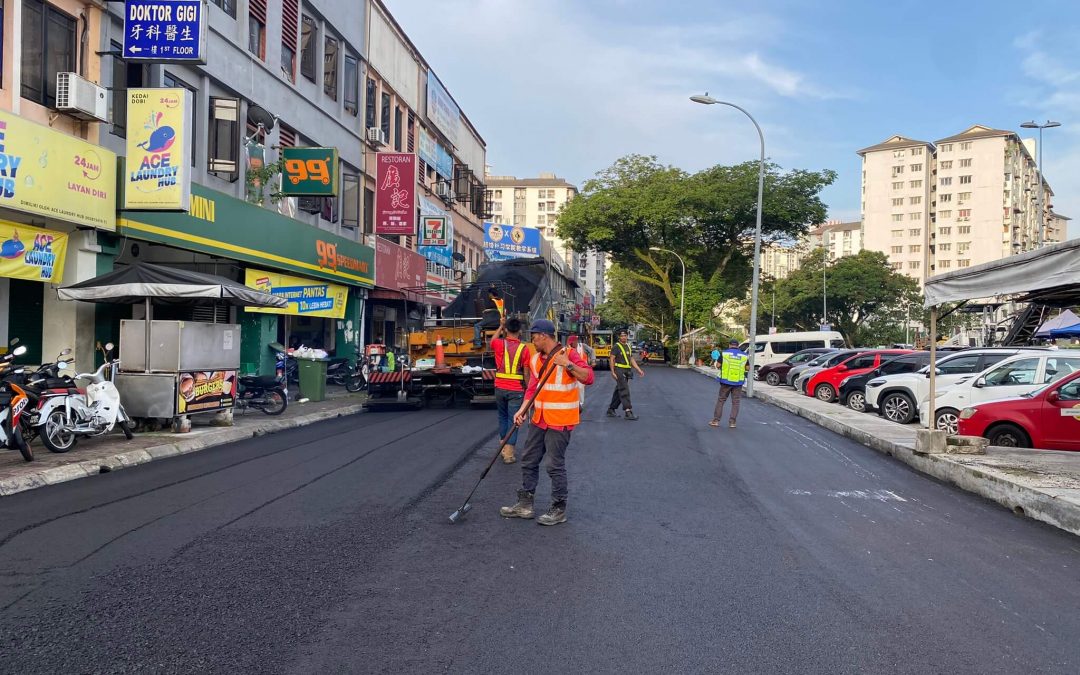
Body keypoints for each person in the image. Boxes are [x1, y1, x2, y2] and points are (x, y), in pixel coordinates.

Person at [500, 319, 594, 526]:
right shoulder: (535, 360)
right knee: (528, 460)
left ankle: (558, 508)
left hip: (560, 421)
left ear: (544, 336)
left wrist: (568, 365)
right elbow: (532, 389)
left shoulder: (568, 354)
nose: (532, 341)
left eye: (534, 337)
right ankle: (525, 504)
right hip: (539, 419)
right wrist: (522, 411)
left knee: (554, 465)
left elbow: (589, 377)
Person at [491, 316, 530, 464]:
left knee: (502, 417)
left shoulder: (499, 344)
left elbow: (491, 342)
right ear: (520, 331)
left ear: (506, 329)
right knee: (514, 421)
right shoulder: (524, 349)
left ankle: (503, 447)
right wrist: (528, 388)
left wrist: (500, 327)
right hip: (516, 389)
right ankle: (508, 453)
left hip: (499, 387)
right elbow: (526, 373)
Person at [606, 330, 645, 420]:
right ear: (619, 337)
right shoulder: (616, 346)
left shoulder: (628, 346)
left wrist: (639, 369)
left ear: (627, 336)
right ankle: (628, 411)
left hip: (627, 370)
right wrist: (612, 372)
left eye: (625, 336)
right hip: (619, 370)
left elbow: (631, 359)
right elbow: (611, 359)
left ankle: (611, 409)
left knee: (619, 389)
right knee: (624, 389)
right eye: (622, 336)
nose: (624, 337)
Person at [710, 339, 749, 429]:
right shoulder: (744, 355)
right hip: (738, 382)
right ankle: (732, 423)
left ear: (729, 345)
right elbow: (747, 368)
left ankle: (716, 421)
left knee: (721, 400)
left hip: (725, 381)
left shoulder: (724, 353)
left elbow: (718, 366)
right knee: (735, 402)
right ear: (738, 346)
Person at [568, 335, 595, 409]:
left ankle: (580, 403)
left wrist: (593, 361)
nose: (570, 344)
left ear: (576, 342)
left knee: (580, 387)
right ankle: (574, 402)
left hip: (582, 370)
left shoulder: (583, 346)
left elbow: (592, 351)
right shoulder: (568, 349)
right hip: (572, 370)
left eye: (571, 343)